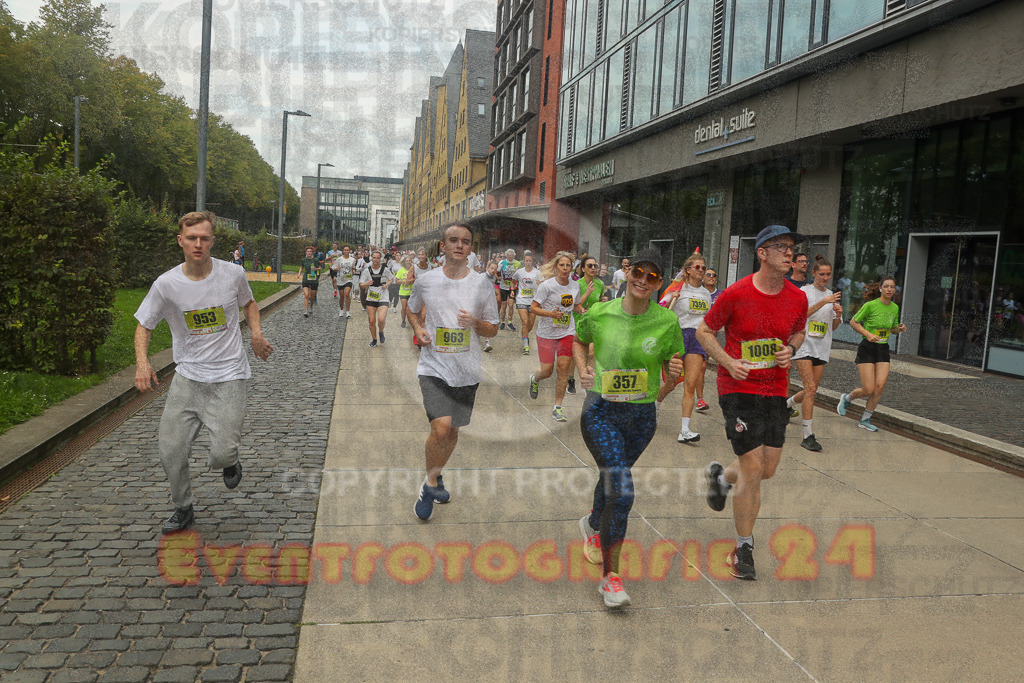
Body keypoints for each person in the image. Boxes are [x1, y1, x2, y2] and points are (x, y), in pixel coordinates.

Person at [133, 211, 273, 533]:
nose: (198, 244)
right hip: (188, 377)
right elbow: (144, 325)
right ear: (180, 241)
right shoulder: (166, 284)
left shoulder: (233, 274)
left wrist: (255, 333)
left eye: (204, 238)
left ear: (212, 241)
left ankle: (229, 460)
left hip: (229, 376)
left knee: (222, 453)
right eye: (191, 238)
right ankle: (183, 508)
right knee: (170, 450)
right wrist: (142, 362)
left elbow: (249, 303)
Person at [574, 248, 684, 608]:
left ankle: (593, 523)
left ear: (659, 283)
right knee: (621, 490)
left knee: (613, 477)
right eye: (638, 272)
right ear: (627, 273)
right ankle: (611, 579)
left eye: (652, 277)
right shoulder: (600, 312)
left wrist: (673, 372)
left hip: (641, 417)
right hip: (601, 411)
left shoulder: (666, 321)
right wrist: (583, 367)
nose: (642, 280)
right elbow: (579, 340)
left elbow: (672, 361)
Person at [697, 225, 807, 581]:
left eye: (792, 248)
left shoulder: (798, 298)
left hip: (775, 388)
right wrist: (728, 362)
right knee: (753, 469)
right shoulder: (736, 293)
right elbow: (704, 331)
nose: (790, 253)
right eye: (782, 247)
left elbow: (799, 330)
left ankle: (720, 477)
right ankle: (743, 547)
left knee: (767, 469)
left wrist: (792, 348)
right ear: (762, 253)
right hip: (737, 387)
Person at [407, 222, 499, 521]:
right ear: (443, 246)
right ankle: (429, 485)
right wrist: (418, 328)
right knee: (441, 428)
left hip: (467, 370)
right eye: (454, 240)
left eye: (466, 241)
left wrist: (475, 323)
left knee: (453, 431)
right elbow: (411, 309)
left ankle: (436, 474)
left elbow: (493, 329)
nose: (460, 245)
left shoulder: (482, 284)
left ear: (471, 248)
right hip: (433, 366)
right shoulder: (426, 281)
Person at [786, 255, 843, 450]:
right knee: (810, 388)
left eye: (828, 274)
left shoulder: (831, 294)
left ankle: (786, 405)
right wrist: (823, 301)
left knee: (811, 389)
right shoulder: (804, 292)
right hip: (804, 345)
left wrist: (838, 315)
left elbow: (833, 327)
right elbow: (799, 315)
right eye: (821, 274)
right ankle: (808, 435)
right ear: (814, 273)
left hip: (822, 347)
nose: (825, 278)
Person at [837, 276, 907, 432]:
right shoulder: (870, 305)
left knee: (879, 387)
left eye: (892, 287)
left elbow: (892, 329)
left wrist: (899, 329)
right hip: (867, 348)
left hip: (883, 349)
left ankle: (865, 419)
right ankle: (847, 398)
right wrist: (868, 334)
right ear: (880, 288)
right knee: (868, 389)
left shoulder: (894, 308)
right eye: (886, 286)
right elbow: (854, 322)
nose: (889, 289)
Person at [529, 252, 585, 422]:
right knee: (547, 371)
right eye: (562, 265)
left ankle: (557, 407)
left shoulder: (575, 286)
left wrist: (583, 310)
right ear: (556, 267)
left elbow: (576, 305)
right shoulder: (547, 286)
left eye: (568, 265)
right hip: (546, 333)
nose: (565, 268)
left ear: (572, 268)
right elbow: (533, 307)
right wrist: (550, 314)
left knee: (563, 368)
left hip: (566, 332)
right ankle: (535, 378)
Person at [664, 253, 712, 443]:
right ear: (688, 270)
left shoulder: (706, 294)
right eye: (698, 267)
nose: (702, 270)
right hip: (679, 336)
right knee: (671, 383)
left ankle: (684, 429)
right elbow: (662, 311)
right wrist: (671, 299)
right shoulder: (677, 288)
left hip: (697, 339)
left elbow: (708, 319)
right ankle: (656, 405)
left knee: (690, 385)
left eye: (704, 267)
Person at [568, 255, 604, 395]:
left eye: (595, 266)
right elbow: (574, 305)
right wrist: (587, 293)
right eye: (590, 266)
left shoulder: (600, 284)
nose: (593, 268)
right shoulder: (577, 284)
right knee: (575, 355)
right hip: (578, 322)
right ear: (583, 269)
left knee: (591, 353)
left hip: (593, 323)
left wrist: (602, 303)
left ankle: (589, 381)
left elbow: (598, 301)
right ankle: (571, 379)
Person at [360, 249, 394, 347]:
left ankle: (381, 331)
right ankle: (374, 339)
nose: (376, 260)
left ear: (381, 259)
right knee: (371, 321)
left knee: (381, 319)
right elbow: (361, 284)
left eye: (378, 258)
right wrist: (367, 283)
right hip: (371, 297)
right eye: (374, 258)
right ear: (371, 258)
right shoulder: (367, 270)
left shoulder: (385, 269)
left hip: (383, 296)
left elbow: (392, 279)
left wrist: (386, 285)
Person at [513, 251, 541, 355]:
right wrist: (512, 290)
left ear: (532, 261)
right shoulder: (519, 272)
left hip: (533, 301)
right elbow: (513, 280)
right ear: (524, 261)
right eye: (526, 261)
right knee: (525, 322)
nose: (528, 262)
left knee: (530, 324)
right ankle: (526, 346)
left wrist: (540, 283)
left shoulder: (537, 273)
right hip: (521, 299)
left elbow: (543, 284)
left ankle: (525, 335)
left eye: (530, 261)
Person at [498, 249, 521, 331]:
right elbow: (497, 272)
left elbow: (520, 274)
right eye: (508, 255)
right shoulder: (502, 263)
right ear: (506, 255)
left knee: (511, 305)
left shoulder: (518, 263)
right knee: (504, 306)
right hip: (503, 287)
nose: (510, 256)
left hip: (513, 287)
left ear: (514, 255)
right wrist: (498, 277)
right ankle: (502, 322)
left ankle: (510, 322)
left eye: (511, 255)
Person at [334, 245, 355, 318]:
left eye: (347, 250)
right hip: (340, 279)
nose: (346, 251)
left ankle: (348, 311)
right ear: (343, 251)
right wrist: (337, 268)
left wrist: (354, 270)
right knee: (342, 296)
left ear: (349, 251)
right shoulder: (339, 259)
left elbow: (353, 268)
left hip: (349, 279)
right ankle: (341, 309)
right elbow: (334, 267)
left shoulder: (352, 260)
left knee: (347, 294)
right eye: (345, 250)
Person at [300, 245, 320, 318]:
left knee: (312, 296)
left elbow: (319, 268)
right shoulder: (303, 260)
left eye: (310, 251)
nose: (309, 253)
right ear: (306, 252)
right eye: (308, 251)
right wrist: (299, 273)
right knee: (306, 295)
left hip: (314, 280)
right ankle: (306, 311)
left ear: (312, 252)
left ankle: (311, 307)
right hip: (306, 279)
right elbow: (301, 267)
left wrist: (316, 269)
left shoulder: (315, 260)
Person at [395, 255, 415, 328]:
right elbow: (396, 281)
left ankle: (412, 321)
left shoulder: (413, 270)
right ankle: (403, 321)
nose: (408, 262)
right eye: (407, 261)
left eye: (409, 260)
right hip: (403, 291)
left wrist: (412, 281)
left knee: (410, 308)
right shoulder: (401, 270)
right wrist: (402, 282)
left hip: (412, 292)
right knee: (404, 307)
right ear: (404, 262)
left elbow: (417, 278)